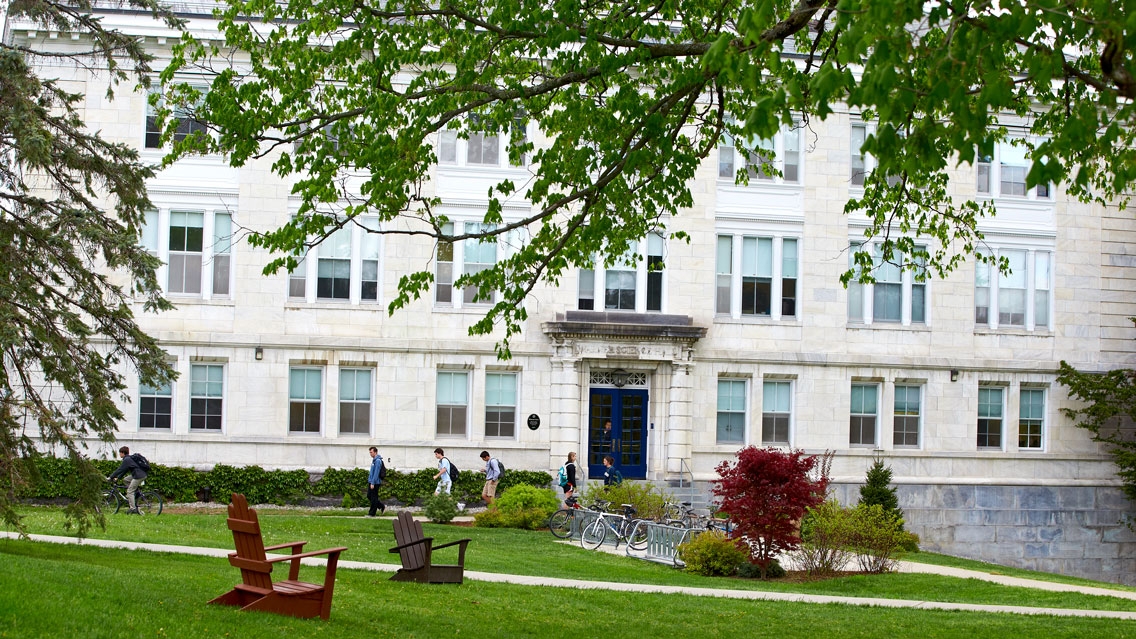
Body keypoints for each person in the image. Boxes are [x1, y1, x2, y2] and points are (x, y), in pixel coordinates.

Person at [107, 446, 147, 514]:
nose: (119, 454)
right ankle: (134, 493)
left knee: (130, 491)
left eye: (120, 453)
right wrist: (118, 478)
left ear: (123, 453)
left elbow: (120, 469)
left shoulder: (127, 460)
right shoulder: (129, 459)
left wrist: (110, 477)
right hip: (139, 474)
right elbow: (125, 470)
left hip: (138, 475)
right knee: (126, 480)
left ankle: (133, 509)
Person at [367, 446, 386, 516]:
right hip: (371, 481)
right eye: (370, 452)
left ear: (375, 452)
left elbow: (376, 473)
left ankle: (372, 513)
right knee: (369, 496)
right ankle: (381, 506)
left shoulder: (378, 461)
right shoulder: (374, 460)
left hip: (375, 482)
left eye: (371, 452)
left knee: (374, 497)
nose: (370, 454)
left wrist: (373, 483)